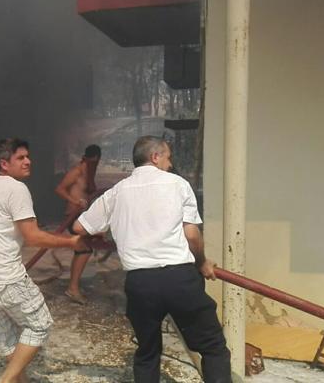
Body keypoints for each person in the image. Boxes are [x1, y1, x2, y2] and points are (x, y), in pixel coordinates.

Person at [72, 136, 231, 383]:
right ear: (155, 157)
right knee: (213, 347)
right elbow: (192, 235)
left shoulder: (117, 192)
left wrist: (109, 226)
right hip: (180, 279)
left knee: (147, 352)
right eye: (168, 157)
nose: (170, 163)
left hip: (140, 283)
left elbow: (79, 227)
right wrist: (202, 263)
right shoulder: (178, 184)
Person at [0, 138, 89, 383]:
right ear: (4, 163)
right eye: (20, 158)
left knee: (6, 332)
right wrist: (71, 242)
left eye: (28, 156)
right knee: (39, 325)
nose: (28, 161)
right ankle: (6, 380)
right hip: (3, 275)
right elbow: (33, 237)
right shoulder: (17, 189)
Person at [54, 144, 100, 304]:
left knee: (83, 249)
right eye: (92, 161)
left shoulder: (90, 172)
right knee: (84, 249)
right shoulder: (77, 171)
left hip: (83, 216)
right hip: (73, 216)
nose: (94, 163)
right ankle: (72, 289)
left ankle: (73, 287)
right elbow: (59, 189)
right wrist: (75, 201)